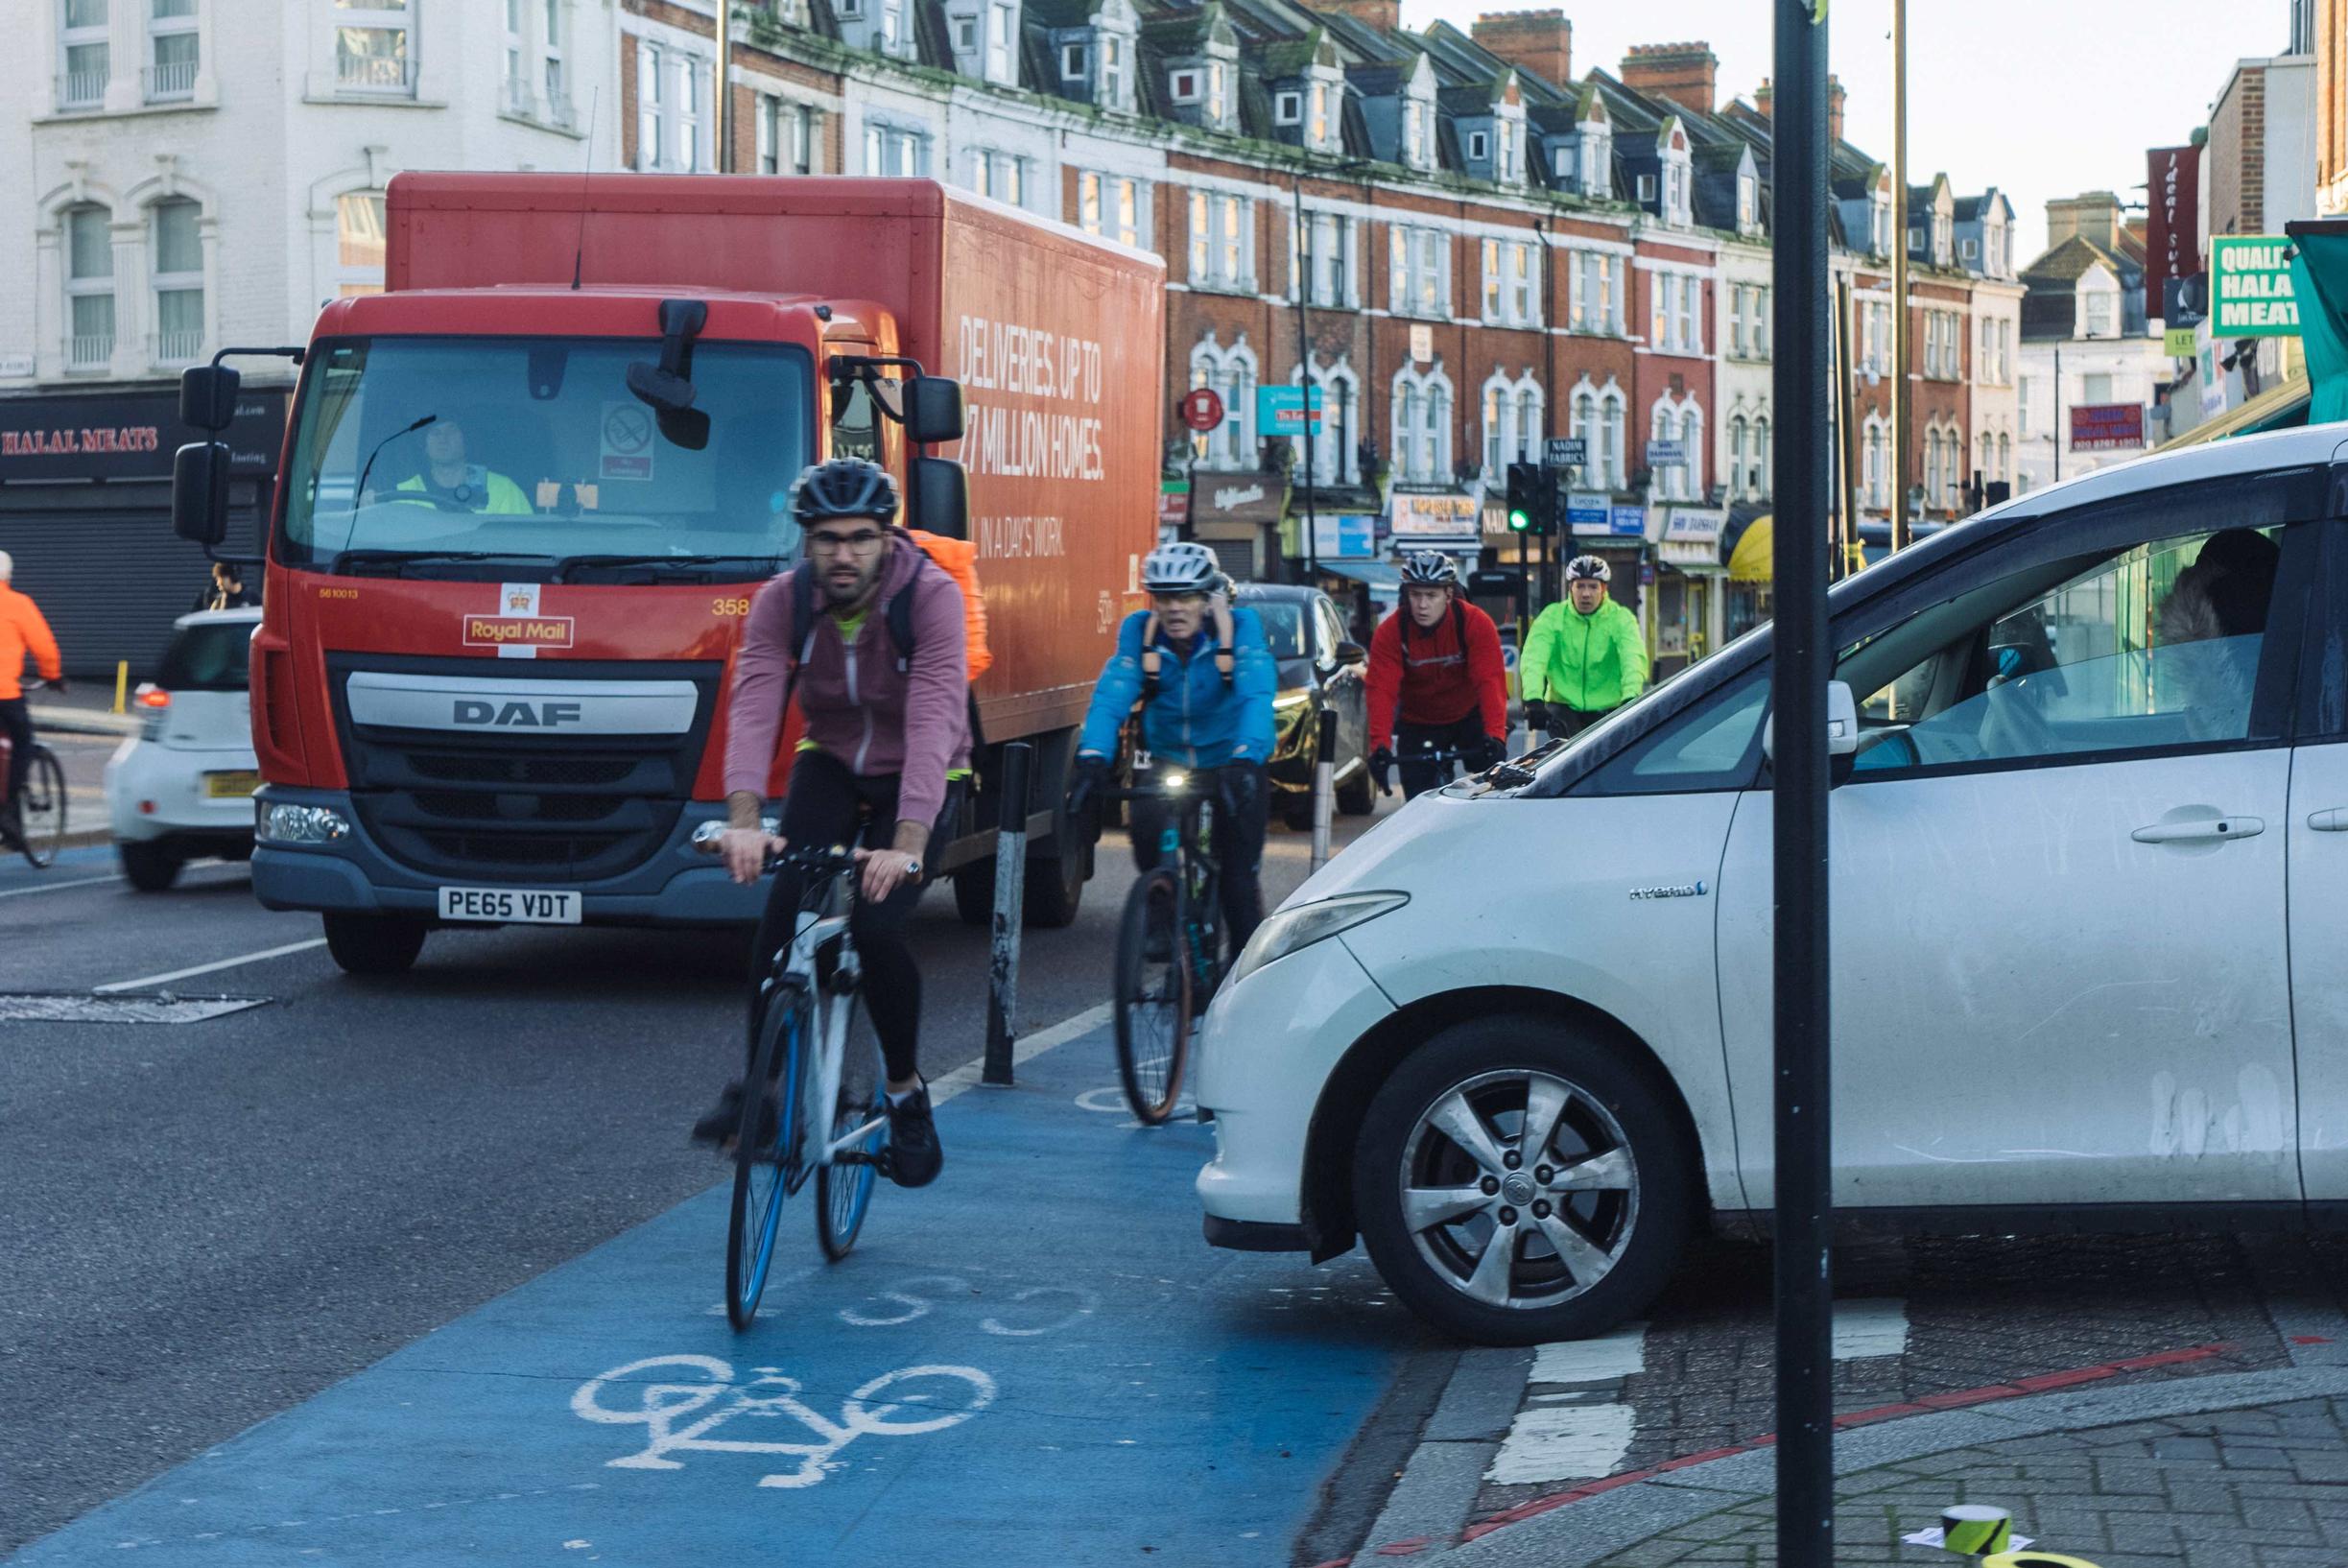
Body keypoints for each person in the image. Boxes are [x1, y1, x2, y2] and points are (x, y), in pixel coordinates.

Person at [690, 458, 967, 1187]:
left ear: (887, 538)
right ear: (806, 542)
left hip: (925, 773)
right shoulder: (784, 600)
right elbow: (753, 703)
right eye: (827, 539)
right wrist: (745, 819)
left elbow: (937, 717)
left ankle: (906, 1096)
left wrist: (905, 845)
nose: (843, 554)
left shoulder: (930, 599)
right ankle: (763, 1087)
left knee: (876, 928)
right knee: (783, 911)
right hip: (835, 760)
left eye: (861, 538)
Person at [1068, 542, 1276, 955]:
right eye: (1164, 597)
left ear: (1208, 598)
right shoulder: (1139, 632)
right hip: (1168, 758)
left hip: (1233, 760)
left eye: (1186, 596)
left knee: (1237, 880)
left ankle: (1245, 978)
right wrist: (1092, 757)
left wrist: (1245, 757)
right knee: (1147, 831)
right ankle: (1162, 914)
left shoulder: (1240, 628)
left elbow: (1256, 693)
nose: (1175, 608)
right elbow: (1112, 695)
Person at [1364, 551, 1509, 799]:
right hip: (1419, 720)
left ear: (1449, 595)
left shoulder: (1475, 623)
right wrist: (1379, 747)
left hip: (1468, 713)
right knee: (1418, 801)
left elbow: (1490, 681)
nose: (1422, 605)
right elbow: (1381, 691)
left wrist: (1496, 736)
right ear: (1406, 595)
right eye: (1415, 595)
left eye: (1431, 595)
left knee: (1491, 787)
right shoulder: (1391, 632)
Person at [1520, 555, 1648, 741]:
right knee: (1569, 761)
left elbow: (1633, 658)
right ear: (1570, 588)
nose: (1586, 594)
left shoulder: (1621, 618)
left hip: (1608, 708)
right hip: (1563, 706)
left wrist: (1631, 697)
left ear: (1604, 589)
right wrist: (1533, 699)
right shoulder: (1552, 616)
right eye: (1580, 586)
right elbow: (1534, 657)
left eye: (1593, 586)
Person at [0, 552, 64, 852]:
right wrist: (52, 676)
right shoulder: (18, 604)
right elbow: (43, 645)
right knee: (22, 744)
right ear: (8, 577)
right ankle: (9, 809)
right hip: (4, 694)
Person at [392, 418, 533, 514]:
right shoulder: (403, 493)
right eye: (435, 433)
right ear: (425, 447)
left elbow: (528, 542)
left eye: (451, 431)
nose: (443, 439)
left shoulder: (505, 490)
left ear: (466, 440)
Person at [192, 560, 259, 612]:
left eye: (220, 578)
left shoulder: (253, 598)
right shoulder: (218, 601)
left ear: (233, 577)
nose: (218, 583)